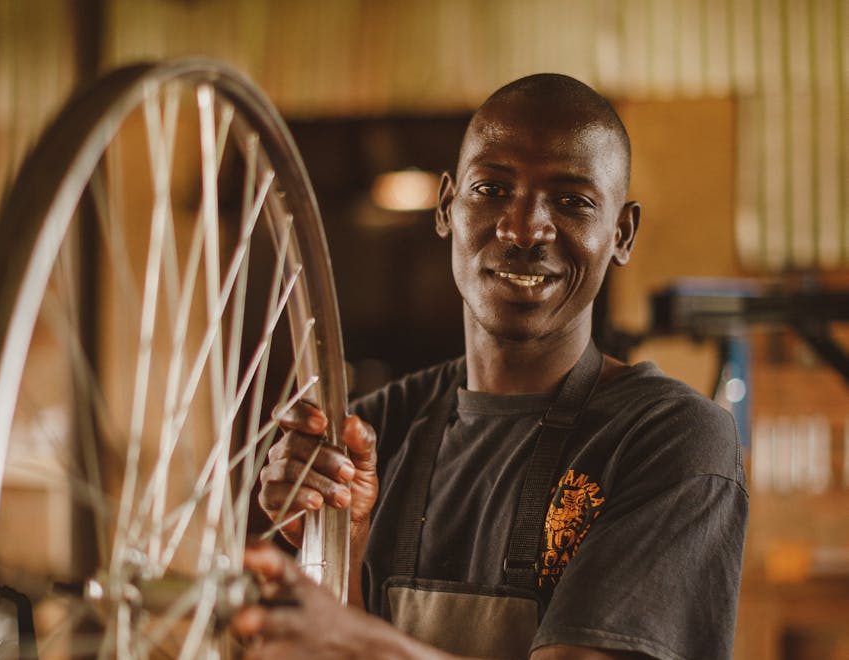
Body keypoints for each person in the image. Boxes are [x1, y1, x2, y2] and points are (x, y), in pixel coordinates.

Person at [242, 73, 748, 660]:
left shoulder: (671, 442)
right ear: (446, 207)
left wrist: (356, 643)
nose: (523, 227)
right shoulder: (374, 432)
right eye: (492, 189)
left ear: (622, 233)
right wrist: (343, 542)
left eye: (571, 201)